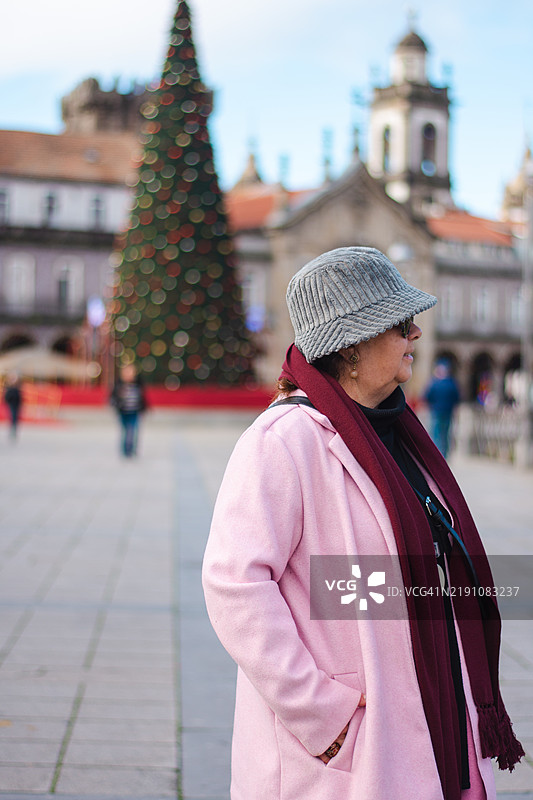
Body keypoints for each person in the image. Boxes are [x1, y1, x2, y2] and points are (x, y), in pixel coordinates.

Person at [202, 247, 523, 800]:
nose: (415, 334)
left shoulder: (395, 432)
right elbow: (234, 584)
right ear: (352, 345)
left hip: (428, 700)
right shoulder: (283, 442)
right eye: (400, 323)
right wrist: (322, 712)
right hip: (345, 742)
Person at [425, 360, 461, 457]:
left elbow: (427, 396)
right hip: (448, 412)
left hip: (436, 411)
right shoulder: (452, 383)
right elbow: (457, 398)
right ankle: (444, 454)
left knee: (436, 433)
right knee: (446, 433)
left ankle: (437, 455)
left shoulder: (434, 383)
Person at [110, 364, 147, 457]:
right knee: (125, 430)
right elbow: (113, 397)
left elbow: (143, 398)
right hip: (123, 411)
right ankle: (125, 450)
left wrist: (144, 408)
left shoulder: (138, 385)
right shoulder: (119, 385)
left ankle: (132, 449)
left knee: (133, 430)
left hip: (134, 412)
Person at [3, 373, 23, 439]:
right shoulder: (9, 387)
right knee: (13, 416)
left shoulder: (16, 387)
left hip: (16, 404)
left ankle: (13, 429)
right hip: (11, 404)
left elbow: (19, 397)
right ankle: (12, 429)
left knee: (14, 417)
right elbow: (7, 396)